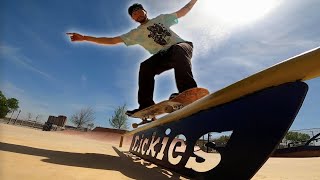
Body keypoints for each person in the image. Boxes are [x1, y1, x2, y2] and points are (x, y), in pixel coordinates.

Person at [67, 0, 199, 116]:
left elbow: (182, 12)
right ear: (133, 19)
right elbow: (112, 40)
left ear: (145, 11)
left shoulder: (161, 19)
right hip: (164, 56)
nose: (138, 15)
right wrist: (85, 37)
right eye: (134, 14)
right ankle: (146, 105)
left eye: (139, 11)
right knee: (145, 66)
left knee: (178, 49)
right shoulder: (135, 34)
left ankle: (188, 92)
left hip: (182, 47)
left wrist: (194, 1)